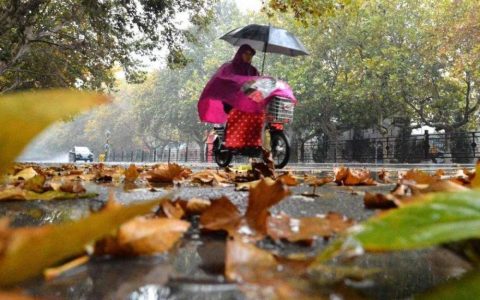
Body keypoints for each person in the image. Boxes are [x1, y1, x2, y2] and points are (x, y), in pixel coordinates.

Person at [197, 44, 260, 124]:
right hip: (231, 103)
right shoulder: (229, 66)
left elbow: (257, 87)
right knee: (234, 123)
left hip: (247, 104)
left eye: (251, 54)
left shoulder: (253, 70)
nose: (249, 56)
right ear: (240, 54)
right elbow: (223, 80)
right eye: (246, 53)